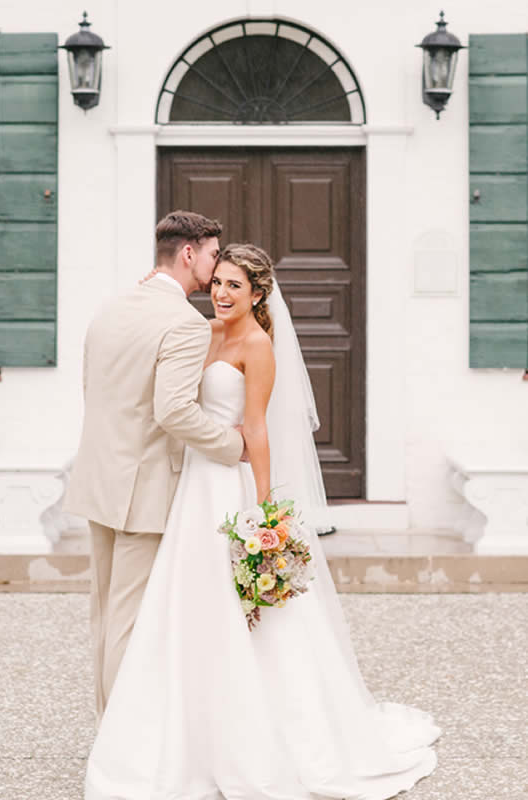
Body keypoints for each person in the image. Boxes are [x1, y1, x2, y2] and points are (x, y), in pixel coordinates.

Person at [84, 242, 440, 800]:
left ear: (258, 293)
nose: (221, 293)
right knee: (182, 606)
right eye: (218, 282)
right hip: (188, 489)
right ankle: (177, 728)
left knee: (240, 611)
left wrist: (266, 512)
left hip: (228, 486)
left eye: (234, 286)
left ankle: (253, 734)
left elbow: (258, 431)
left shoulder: (257, 345)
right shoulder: (199, 332)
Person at [63, 211, 244, 725]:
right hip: (143, 487)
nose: (215, 266)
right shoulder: (184, 322)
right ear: (189, 253)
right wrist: (231, 445)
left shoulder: (112, 307)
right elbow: (174, 411)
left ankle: (108, 728)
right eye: (212, 254)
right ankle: (123, 745)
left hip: (99, 475)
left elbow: (93, 392)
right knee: (131, 618)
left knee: (105, 615)